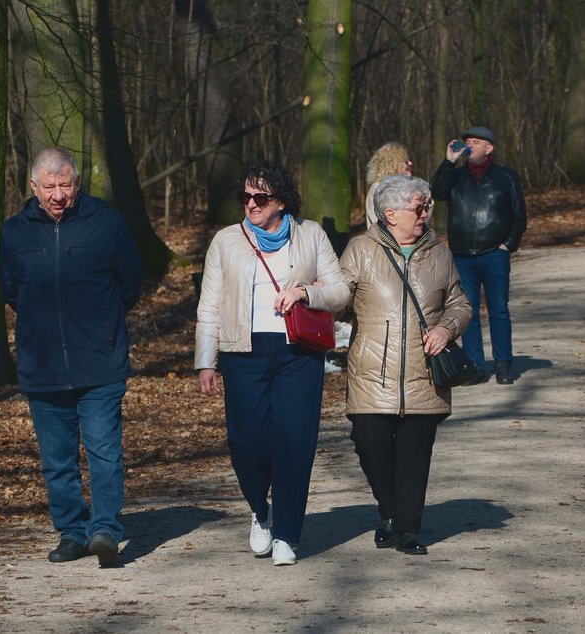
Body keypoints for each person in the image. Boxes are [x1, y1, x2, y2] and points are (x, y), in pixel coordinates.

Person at [195, 161, 350, 566]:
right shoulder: (226, 241)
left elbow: (339, 291)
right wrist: (205, 361)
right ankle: (260, 512)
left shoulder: (310, 234)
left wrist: (304, 293)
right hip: (242, 352)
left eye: (259, 197)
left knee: (295, 441)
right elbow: (209, 305)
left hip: (298, 353)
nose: (250, 204)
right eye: (244, 197)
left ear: (280, 201)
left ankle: (286, 533)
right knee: (246, 442)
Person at [0, 147, 142, 566]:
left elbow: (129, 284)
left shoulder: (107, 224)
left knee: (103, 452)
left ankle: (105, 530)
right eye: (49, 186)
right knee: (57, 462)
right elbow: (12, 292)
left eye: (66, 185)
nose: (58, 195)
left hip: (99, 362)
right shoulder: (14, 233)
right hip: (42, 366)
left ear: (77, 184)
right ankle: (72, 532)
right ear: (33, 187)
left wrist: (103, 325)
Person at [340, 174, 471, 555]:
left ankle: (409, 530)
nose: (426, 213)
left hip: (425, 374)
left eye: (428, 206)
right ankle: (390, 511)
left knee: (415, 455)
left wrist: (447, 329)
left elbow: (460, 304)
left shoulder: (440, 253)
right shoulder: (360, 249)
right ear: (390, 213)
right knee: (368, 444)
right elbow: (337, 297)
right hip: (371, 371)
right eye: (419, 207)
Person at [430, 126, 527, 385]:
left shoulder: (506, 177)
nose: (470, 146)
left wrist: (508, 244)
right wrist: (448, 162)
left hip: (495, 254)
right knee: (467, 312)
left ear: (489, 148)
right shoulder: (455, 176)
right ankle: (475, 365)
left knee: (499, 310)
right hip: (462, 255)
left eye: (475, 141)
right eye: (467, 142)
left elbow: (519, 216)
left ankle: (504, 363)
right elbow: (436, 192)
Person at [364, 142, 414, 229]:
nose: (410, 163)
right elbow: (383, 227)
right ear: (393, 164)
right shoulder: (378, 189)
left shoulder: (406, 188)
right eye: (405, 161)